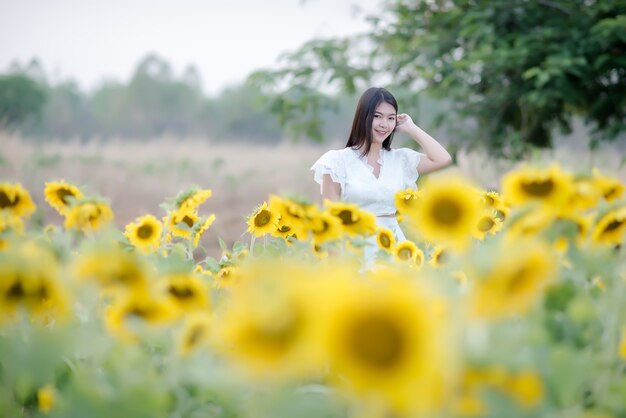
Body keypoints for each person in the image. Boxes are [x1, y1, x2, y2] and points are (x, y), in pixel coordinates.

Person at [310, 87, 452, 262]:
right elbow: (330, 219)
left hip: (394, 249)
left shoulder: (400, 159)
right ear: (363, 117)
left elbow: (443, 158)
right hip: (355, 251)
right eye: (377, 116)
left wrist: (410, 127)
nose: (384, 124)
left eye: (390, 118)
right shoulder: (336, 162)